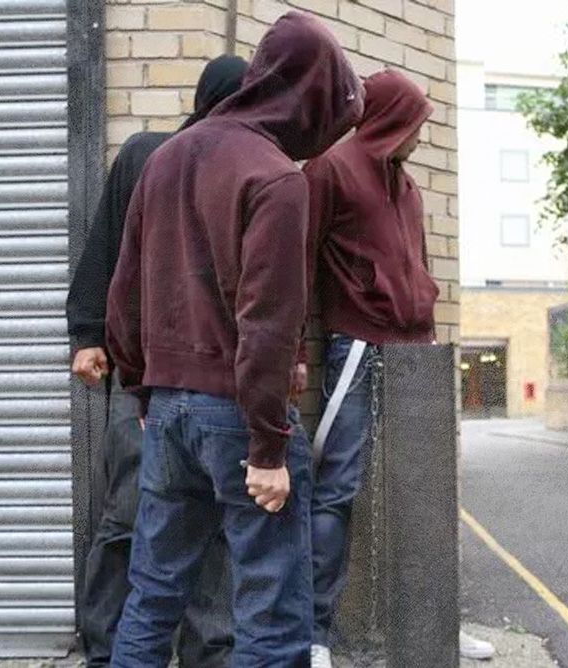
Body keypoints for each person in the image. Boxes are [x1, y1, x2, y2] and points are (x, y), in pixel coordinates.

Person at [104, 11, 364, 667]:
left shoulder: (164, 159)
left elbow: (126, 291)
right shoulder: (275, 176)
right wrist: (268, 445)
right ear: (307, 94)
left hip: (166, 411)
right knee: (273, 619)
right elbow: (267, 321)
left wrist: (142, 395)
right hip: (239, 422)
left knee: (152, 596)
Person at [303, 69, 494, 667]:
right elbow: (295, 266)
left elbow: (418, 266)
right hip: (356, 350)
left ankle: (435, 626)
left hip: (416, 353)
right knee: (335, 490)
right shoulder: (329, 171)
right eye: (415, 123)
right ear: (389, 119)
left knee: (426, 492)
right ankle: (314, 637)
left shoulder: (408, 188)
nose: (421, 135)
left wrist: (431, 337)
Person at [66, 55, 247, 668]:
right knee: (128, 511)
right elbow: (106, 245)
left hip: (220, 375)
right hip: (144, 371)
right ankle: (106, 651)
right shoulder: (149, 154)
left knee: (217, 517)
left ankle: (209, 652)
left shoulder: (249, 167)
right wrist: (88, 331)